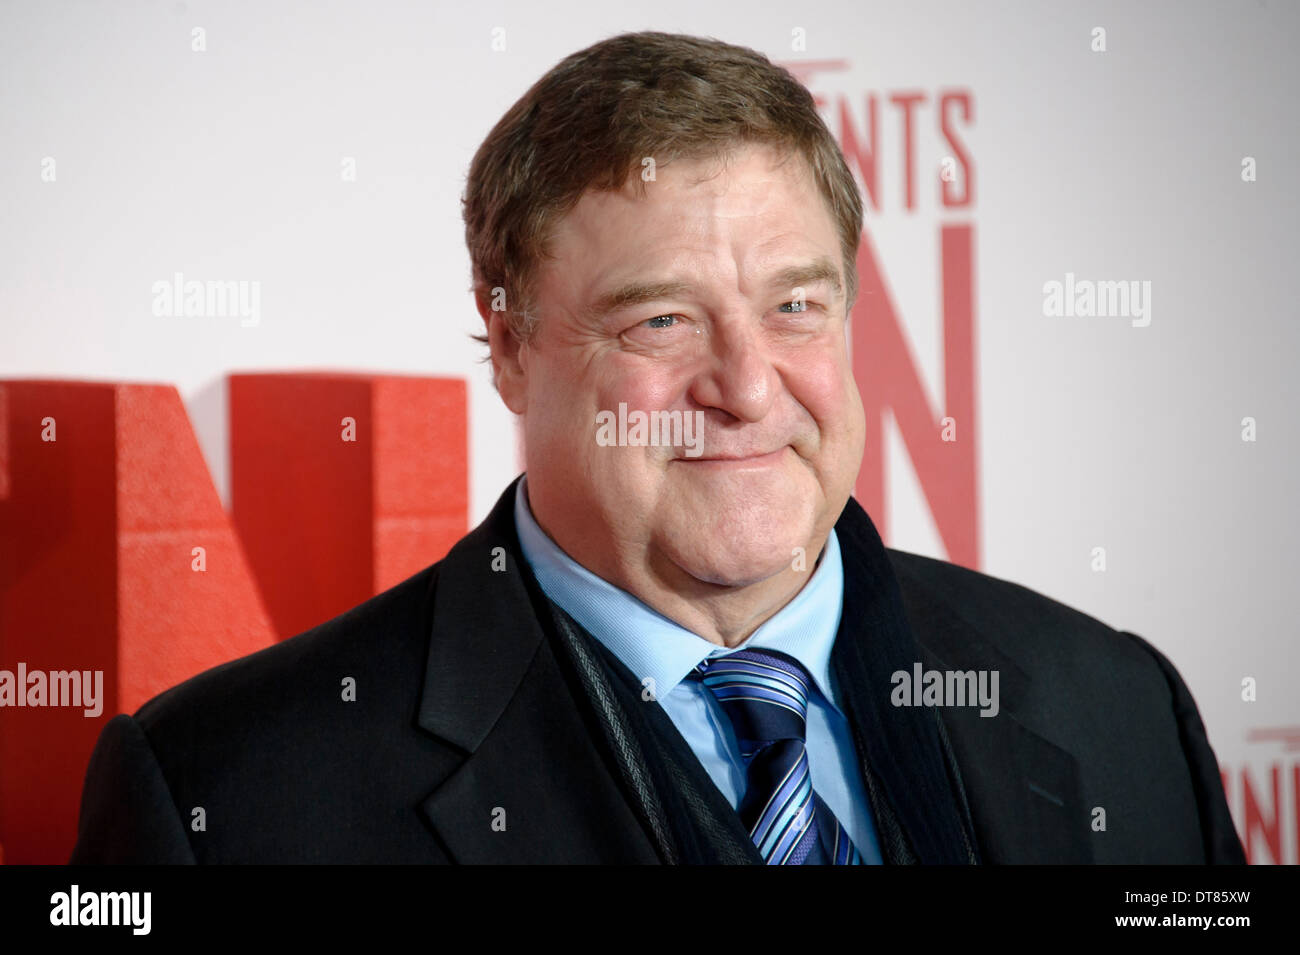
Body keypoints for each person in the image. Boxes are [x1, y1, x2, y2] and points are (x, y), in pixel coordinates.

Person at [69, 30, 1244, 865]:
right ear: (511, 341)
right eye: (660, 321)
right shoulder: (231, 794)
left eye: (795, 306)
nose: (744, 388)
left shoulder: (1116, 708)